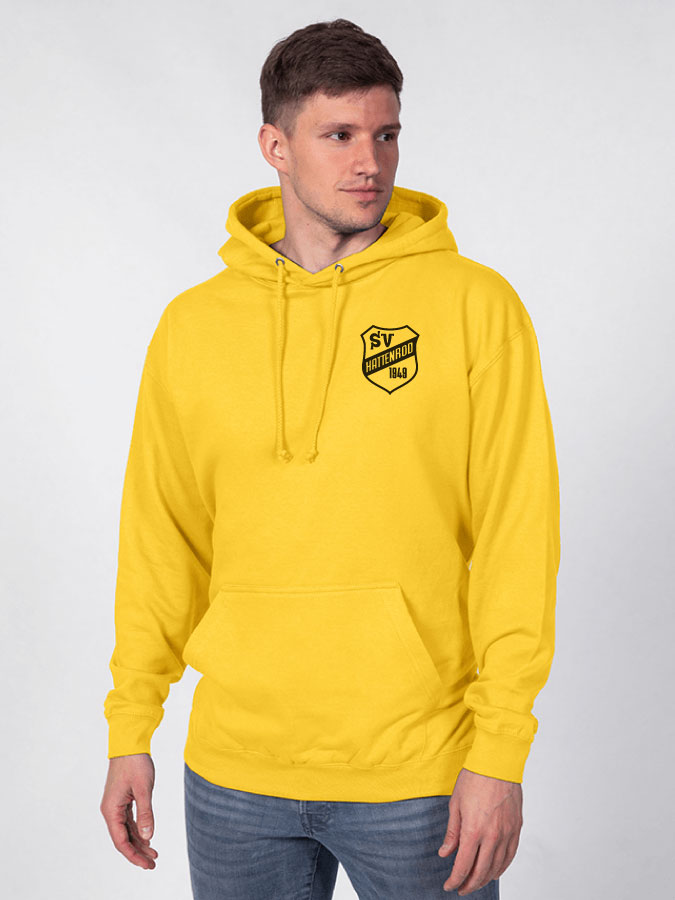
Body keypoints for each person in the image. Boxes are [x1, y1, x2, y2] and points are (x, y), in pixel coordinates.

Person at [99, 18, 560, 899]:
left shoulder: (474, 306)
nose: (369, 162)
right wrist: (131, 727)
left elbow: (517, 537)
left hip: (420, 773)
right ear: (275, 146)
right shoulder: (193, 327)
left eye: (386, 134)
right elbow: (162, 539)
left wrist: (499, 750)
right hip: (233, 772)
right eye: (339, 135)